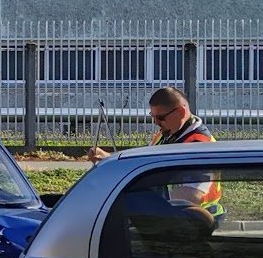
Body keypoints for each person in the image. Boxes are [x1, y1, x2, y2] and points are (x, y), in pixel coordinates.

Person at [88, 86, 223, 219]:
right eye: (153, 116)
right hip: (171, 214)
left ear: (181, 112)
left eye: (161, 117)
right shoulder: (170, 133)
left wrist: (143, 202)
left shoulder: (199, 145)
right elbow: (144, 161)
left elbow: (192, 194)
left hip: (197, 219)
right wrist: (108, 158)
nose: (156, 122)